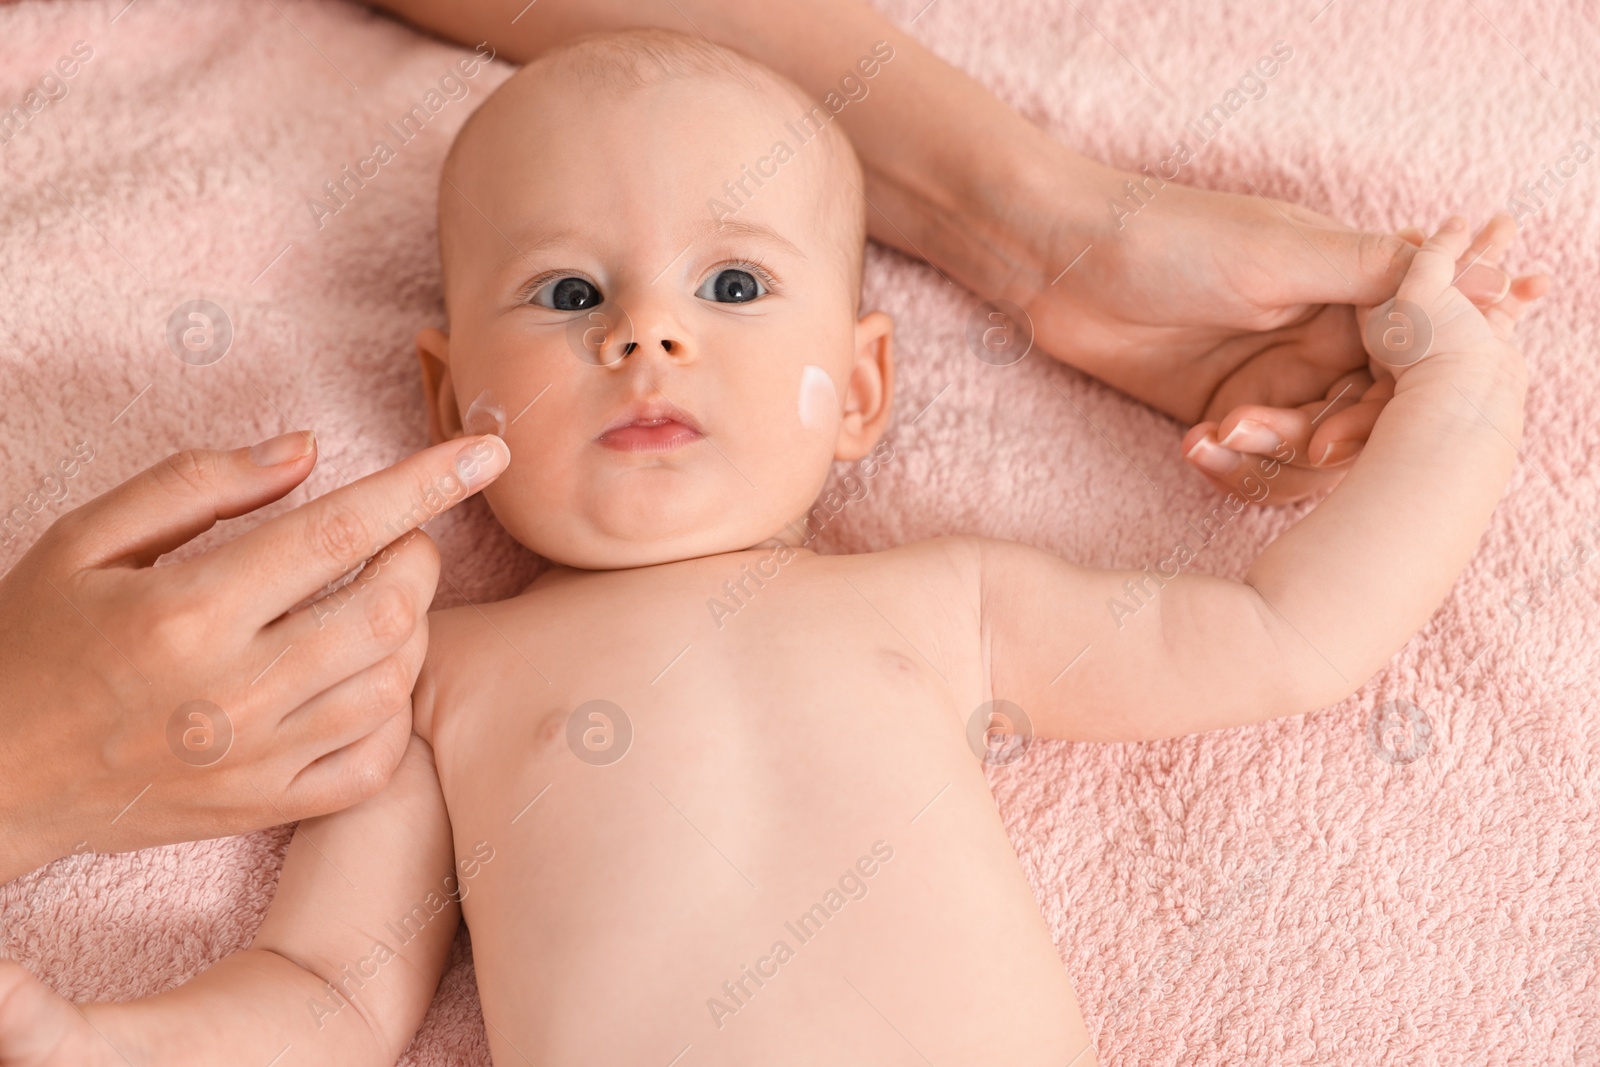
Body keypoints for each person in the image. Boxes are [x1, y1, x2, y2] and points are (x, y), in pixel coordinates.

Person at [0, 30, 1543, 1064]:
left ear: (860, 389)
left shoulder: (952, 606)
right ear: (447, 393)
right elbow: (331, 989)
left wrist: (1461, 389)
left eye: (733, 290)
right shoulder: (431, 679)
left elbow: (1294, 637)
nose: (648, 334)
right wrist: (110, 1043)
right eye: (565, 295)